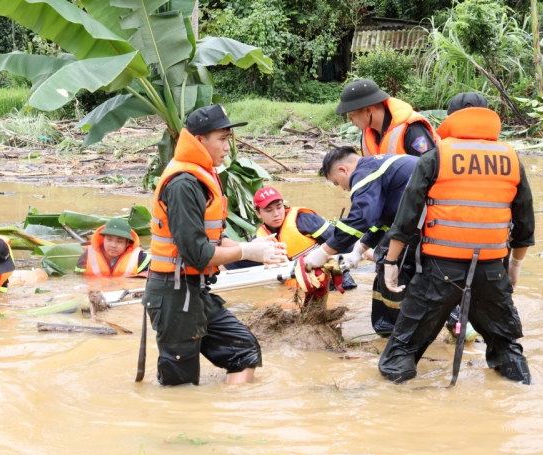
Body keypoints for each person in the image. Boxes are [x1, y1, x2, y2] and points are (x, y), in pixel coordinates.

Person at [378, 92, 535, 384]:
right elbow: (525, 222)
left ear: (449, 119)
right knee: (508, 351)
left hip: (439, 272)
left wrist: (390, 262)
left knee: (400, 354)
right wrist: (513, 268)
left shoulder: (436, 156)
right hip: (490, 271)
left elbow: (407, 218)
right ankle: (518, 397)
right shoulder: (511, 159)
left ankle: (399, 412)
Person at [144, 104, 285, 386]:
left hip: (194, 292)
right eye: (221, 138)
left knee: (244, 352)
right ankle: (182, 428)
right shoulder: (184, 184)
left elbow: (213, 237)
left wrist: (258, 251)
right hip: (174, 294)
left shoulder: (202, 175)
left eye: (228, 138)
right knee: (180, 384)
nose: (227, 146)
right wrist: (247, 251)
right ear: (200, 141)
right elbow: (196, 253)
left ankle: (228, 418)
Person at [310, 147, 419, 334]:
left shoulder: (364, 173)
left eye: (338, 182)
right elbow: (384, 219)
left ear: (343, 170)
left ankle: (396, 331)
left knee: (394, 265)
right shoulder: (379, 167)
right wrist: (359, 249)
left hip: (428, 220)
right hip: (432, 217)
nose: (345, 188)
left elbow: (361, 218)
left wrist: (323, 252)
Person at [228, 186, 356, 289]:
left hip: (336, 283)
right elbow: (232, 264)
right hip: (299, 290)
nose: (276, 214)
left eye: (279, 207)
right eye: (269, 211)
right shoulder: (260, 241)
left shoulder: (305, 221)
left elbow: (343, 240)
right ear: (258, 213)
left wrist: (365, 253)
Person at [336, 78, 437, 157]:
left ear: (368, 111)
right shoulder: (368, 132)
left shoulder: (412, 129)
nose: (350, 120)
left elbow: (431, 170)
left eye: (352, 115)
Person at [75, 218, 150, 277]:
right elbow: (78, 279)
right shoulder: (87, 256)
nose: (113, 245)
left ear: (127, 243)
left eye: (119, 241)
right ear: (103, 239)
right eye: (109, 239)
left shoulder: (140, 258)